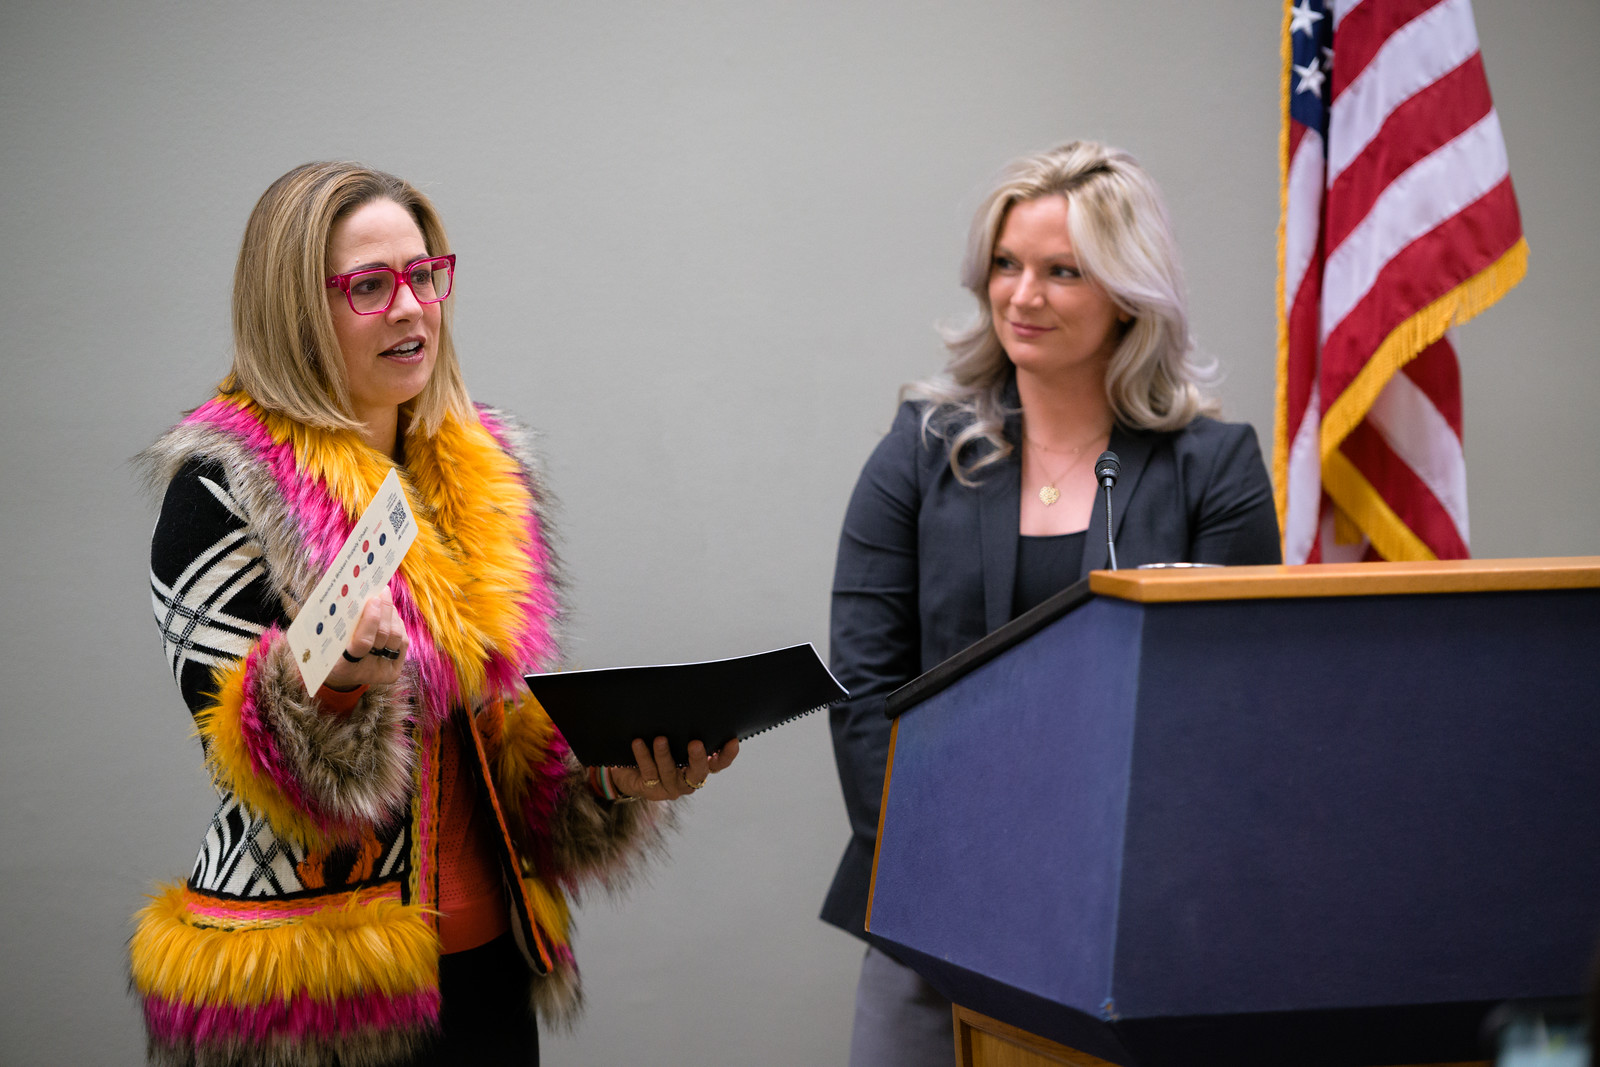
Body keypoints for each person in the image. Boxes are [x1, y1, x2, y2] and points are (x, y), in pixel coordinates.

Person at [131, 161, 737, 1066]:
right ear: (296, 310)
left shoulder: (480, 471)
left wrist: (614, 780)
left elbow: (500, 752)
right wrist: (330, 681)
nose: (411, 307)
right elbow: (268, 772)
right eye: (369, 286)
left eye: (423, 275)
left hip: (491, 968)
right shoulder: (222, 490)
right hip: (316, 994)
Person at [821, 141, 1282, 1065]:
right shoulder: (920, 449)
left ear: (1127, 293)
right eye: (1006, 264)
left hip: (1142, 918)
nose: (1021, 296)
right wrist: (944, 869)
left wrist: (1112, 881)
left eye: (1061, 272)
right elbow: (865, 685)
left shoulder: (1213, 467)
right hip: (934, 910)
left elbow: (1238, 712)